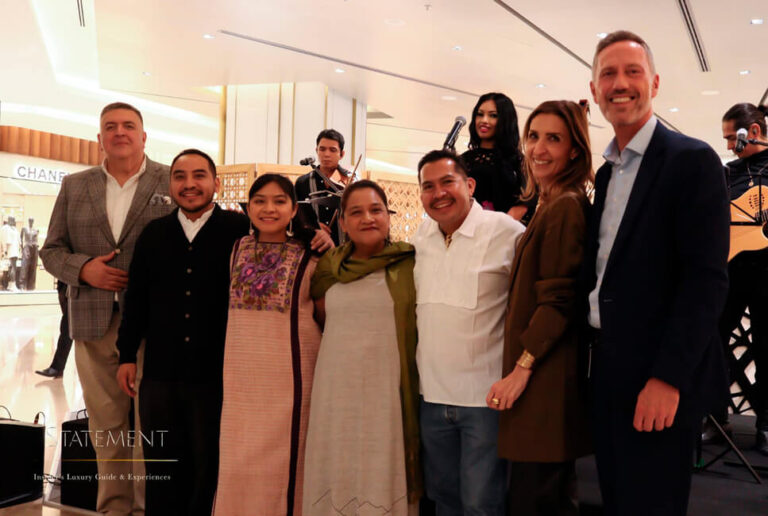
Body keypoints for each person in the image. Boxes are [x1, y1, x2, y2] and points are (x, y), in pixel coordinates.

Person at [584, 31, 729, 515]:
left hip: (657, 373)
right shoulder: (607, 173)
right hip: (608, 369)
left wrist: (668, 378)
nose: (620, 84)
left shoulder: (692, 161)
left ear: (655, 83)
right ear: (594, 89)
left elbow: (705, 282)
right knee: (617, 498)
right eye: (608, 74)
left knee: (653, 504)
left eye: (633, 72)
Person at [40, 102, 175, 515]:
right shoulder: (75, 185)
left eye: (128, 126)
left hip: (155, 324)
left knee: (151, 424)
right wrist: (84, 270)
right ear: (99, 138)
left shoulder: (171, 179)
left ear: (143, 136)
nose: (120, 132)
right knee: (106, 427)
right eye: (110, 126)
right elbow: (51, 251)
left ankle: (148, 508)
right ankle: (114, 508)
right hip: (93, 323)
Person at [114, 149, 249, 515]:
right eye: (180, 176)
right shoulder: (153, 234)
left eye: (199, 175)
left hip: (217, 374)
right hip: (160, 374)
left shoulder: (239, 231)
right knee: (162, 466)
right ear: (170, 184)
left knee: (210, 465)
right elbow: (136, 301)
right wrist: (127, 355)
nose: (189, 184)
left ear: (216, 183)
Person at [486, 100, 593, 515]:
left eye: (554, 139)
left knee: (536, 499)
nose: (539, 149)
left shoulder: (566, 206)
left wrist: (521, 368)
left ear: (575, 150)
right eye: (533, 136)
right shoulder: (552, 201)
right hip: (542, 378)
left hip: (545, 379)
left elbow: (559, 299)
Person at [413, 150, 525, 515]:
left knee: (481, 504)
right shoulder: (421, 237)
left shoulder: (505, 231)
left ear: (470, 185)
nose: (438, 193)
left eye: (448, 182)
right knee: (443, 499)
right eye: (428, 186)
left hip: (484, 400)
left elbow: (536, 299)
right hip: (431, 397)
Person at [304, 180, 422, 515]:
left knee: (382, 465)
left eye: (375, 210)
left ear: (388, 215)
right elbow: (321, 320)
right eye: (356, 212)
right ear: (342, 221)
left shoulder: (410, 264)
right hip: (336, 392)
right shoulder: (328, 268)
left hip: (389, 391)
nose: (367, 218)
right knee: (337, 463)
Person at [213, 174, 325, 516]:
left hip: (290, 377)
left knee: (285, 465)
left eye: (279, 201)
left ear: (293, 209)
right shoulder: (236, 248)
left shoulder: (312, 255)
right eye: (260, 201)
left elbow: (325, 315)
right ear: (249, 208)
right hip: (241, 381)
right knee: (237, 460)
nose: (269, 209)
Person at [715, 102, 768, 454]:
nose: (728, 146)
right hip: (731, 270)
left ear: (755, 132)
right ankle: (715, 417)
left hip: (767, 272)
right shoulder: (726, 173)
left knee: (767, 345)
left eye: (731, 138)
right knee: (714, 339)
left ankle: (765, 423)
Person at [462, 92, 536, 224]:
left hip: (505, 232)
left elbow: (525, 203)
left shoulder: (520, 163)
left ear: (506, 120)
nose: (484, 120)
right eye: (480, 114)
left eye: (493, 115)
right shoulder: (463, 161)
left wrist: (494, 230)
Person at [295, 129, 351, 245]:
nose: (326, 154)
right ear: (317, 150)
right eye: (322, 149)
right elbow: (295, 215)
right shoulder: (302, 182)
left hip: (343, 248)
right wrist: (311, 226)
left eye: (333, 150)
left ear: (341, 154)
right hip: (312, 246)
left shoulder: (350, 182)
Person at [35, 280, 72, 378]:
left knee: (67, 327)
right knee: (67, 326)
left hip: (81, 288)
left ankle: (57, 367)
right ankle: (57, 367)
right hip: (66, 283)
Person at [0, 216, 20, 291]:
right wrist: (5, 250)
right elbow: (6, 240)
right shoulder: (7, 228)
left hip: (15, 249)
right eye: (13, 220)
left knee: (12, 267)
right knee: (13, 267)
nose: (14, 221)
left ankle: (10, 284)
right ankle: (12, 284)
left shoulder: (14, 229)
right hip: (11, 249)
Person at [20, 217, 39, 290]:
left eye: (32, 220)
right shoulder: (24, 228)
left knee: (33, 266)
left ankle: (31, 286)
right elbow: (20, 238)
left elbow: (36, 239)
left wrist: (37, 247)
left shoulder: (36, 229)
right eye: (30, 220)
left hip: (34, 247)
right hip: (27, 246)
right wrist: (22, 247)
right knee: (25, 265)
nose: (31, 221)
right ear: (28, 221)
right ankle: (22, 285)